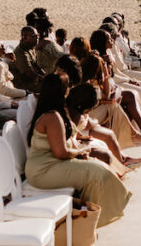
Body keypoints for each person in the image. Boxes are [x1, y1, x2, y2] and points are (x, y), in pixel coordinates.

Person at [24, 73, 132, 227]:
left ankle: (90, 217)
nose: (70, 89)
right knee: (96, 173)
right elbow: (61, 152)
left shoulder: (56, 111)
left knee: (98, 167)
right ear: (61, 91)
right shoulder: (52, 116)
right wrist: (81, 151)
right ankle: (89, 222)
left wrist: (81, 150)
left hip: (50, 165)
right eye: (67, 86)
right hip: (43, 170)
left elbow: (64, 145)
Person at [10, 26, 48, 93]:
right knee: (51, 87)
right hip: (22, 84)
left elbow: (36, 66)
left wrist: (46, 76)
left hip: (30, 80)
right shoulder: (20, 53)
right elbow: (29, 74)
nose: (38, 38)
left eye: (38, 35)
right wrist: (45, 80)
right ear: (25, 38)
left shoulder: (30, 48)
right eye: (34, 36)